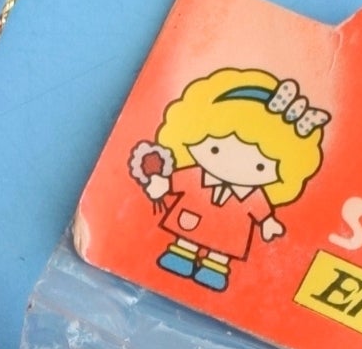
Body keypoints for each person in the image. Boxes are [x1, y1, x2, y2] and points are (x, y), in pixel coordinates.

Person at [128, 67, 327, 290]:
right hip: (192, 218)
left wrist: (267, 223)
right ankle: (181, 255)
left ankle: (214, 268)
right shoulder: (195, 175)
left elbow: (261, 211)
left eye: (260, 166)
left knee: (221, 250)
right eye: (215, 149)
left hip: (230, 231)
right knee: (185, 242)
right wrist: (161, 184)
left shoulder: (253, 196)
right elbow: (175, 181)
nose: (235, 166)